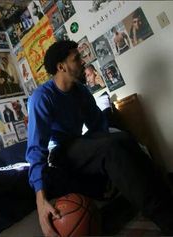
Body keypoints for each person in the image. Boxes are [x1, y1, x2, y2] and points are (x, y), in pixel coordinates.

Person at [26, 40, 173, 236]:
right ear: (61, 67)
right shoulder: (42, 97)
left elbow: (98, 126)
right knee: (110, 148)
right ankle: (168, 220)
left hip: (78, 144)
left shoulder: (81, 91)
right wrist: (40, 199)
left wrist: (115, 141)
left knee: (122, 138)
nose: (83, 61)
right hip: (59, 154)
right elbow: (36, 149)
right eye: (76, 58)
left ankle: (168, 197)